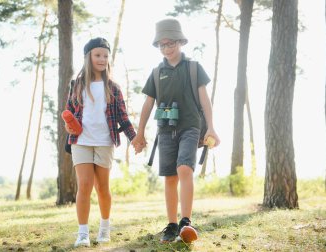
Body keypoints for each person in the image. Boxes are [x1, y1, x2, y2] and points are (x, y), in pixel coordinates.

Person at [132, 19, 220, 244]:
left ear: (180, 42)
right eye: (162, 45)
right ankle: (172, 225)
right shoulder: (156, 72)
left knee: (184, 168)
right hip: (165, 130)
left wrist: (211, 127)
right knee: (170, 177)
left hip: (190, 127)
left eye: (170, 43)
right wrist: (140, 133)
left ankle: (185, 221)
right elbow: (147, 104)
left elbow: (205, 99)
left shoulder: (193, 68)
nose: (166, 48)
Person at [64, 37, 136, 248]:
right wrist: (68, 126)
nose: (102, 59)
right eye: (98, 55)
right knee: (84, 186)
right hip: (81, 141)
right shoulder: (76, 85)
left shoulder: (113, 87)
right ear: (88, 57)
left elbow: (123, 117)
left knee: (102, 187)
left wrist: (135, 138)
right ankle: (83, 233)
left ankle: (105, 227)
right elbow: (70, 113)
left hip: (105, 141)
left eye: (105, 55)